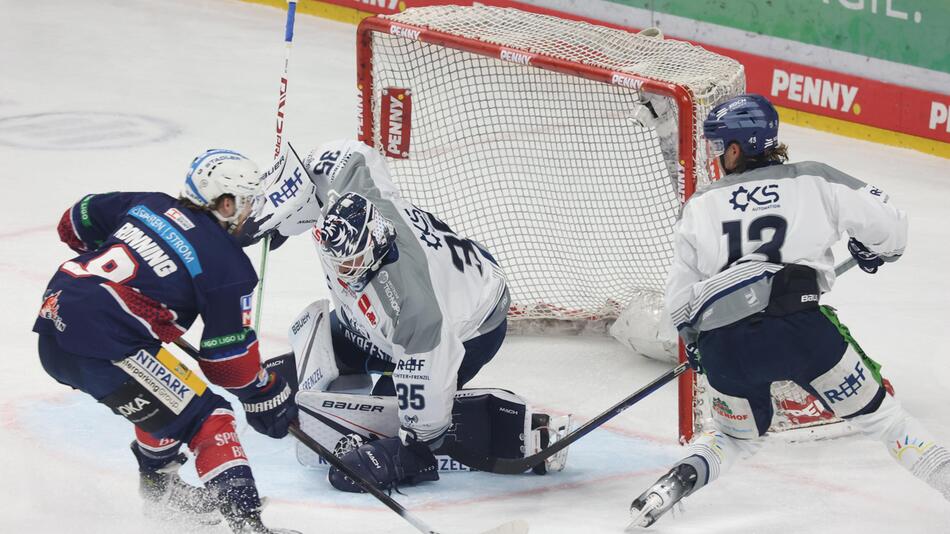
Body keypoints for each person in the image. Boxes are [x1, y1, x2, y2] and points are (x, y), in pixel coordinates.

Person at [628, 94, 950, 527]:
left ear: (737, 149)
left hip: (726, 345)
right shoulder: (813, 179)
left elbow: (680, 305)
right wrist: (873, 249)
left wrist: (696, 343)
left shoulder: (700, 205)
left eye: (720, 145)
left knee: (731, 437)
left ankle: (674, 483)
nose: (718, 155)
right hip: (801, 332)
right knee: (883, 419)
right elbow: (894, 228)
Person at [240, 139, 570, 493]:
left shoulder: (413, 309)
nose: (343, 270)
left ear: (375, 248)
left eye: (350, 264)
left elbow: (424, 398)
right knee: (281, 382)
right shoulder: (353, 194)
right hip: (377, 321)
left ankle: (521, 429)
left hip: (471, 327)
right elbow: (345, 156)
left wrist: (412, 448)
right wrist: (285, 206)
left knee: (384, 418)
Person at [33, 149, 299, 534]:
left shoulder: (148, 204)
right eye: (246, 203)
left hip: (54, 328)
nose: (251, 214)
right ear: (225, 203)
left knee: (168, 390)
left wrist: (125, 277)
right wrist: (266, 390)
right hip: (104, 346)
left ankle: (163, 494)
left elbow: (74, 221)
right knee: (211, 418)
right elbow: (228, 366)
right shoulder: (230, 266)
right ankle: (250, 528)